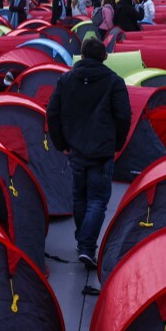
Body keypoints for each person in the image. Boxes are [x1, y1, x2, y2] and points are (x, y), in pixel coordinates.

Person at [46, 37, 132, 268]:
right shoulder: (114, 82)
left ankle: (83, 242)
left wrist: (60, 142)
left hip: (75, 148)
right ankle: (86, 246)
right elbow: (124, 116)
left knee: (80, 196)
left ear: (82, 55)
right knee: (97, 200)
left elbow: (52, 113)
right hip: (102, 150)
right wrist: (117, 143)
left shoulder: (65, 80)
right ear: (103, 56)